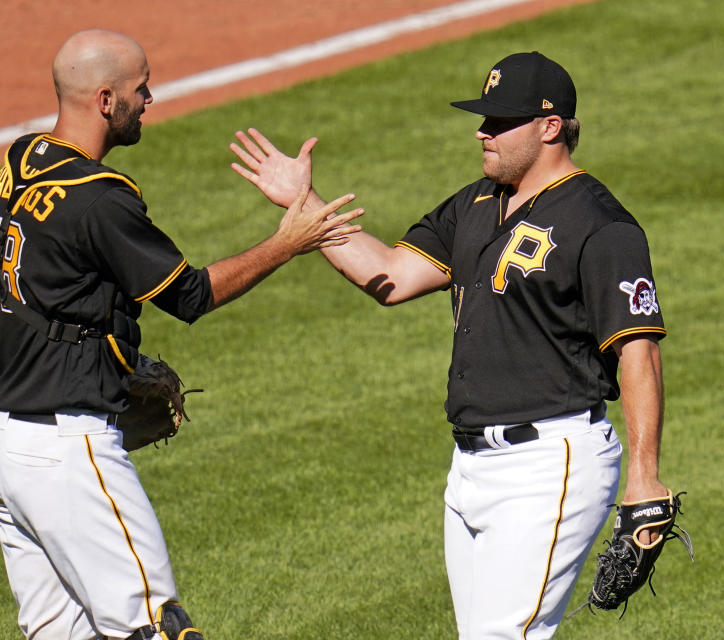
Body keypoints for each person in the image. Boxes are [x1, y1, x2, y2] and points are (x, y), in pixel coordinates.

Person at [230, 51, 671, 639]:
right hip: (470, 468)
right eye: (482, 117)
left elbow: (638, 353)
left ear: (550, 128)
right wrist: (301, 205)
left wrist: (644, 476)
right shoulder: (476, 203)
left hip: (551, 464)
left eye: (499, 121)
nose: (481, 131)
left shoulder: (601, 224)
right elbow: (389, 275)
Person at [0, 29, 362, 640]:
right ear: (106, 100)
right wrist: (289, 242)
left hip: (0, 442)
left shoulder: (22, 158)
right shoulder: (102, 200)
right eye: (140, 89)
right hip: (66, 451)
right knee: (155, 627)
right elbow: (190, 295)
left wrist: (100, 344)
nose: (150, 98)